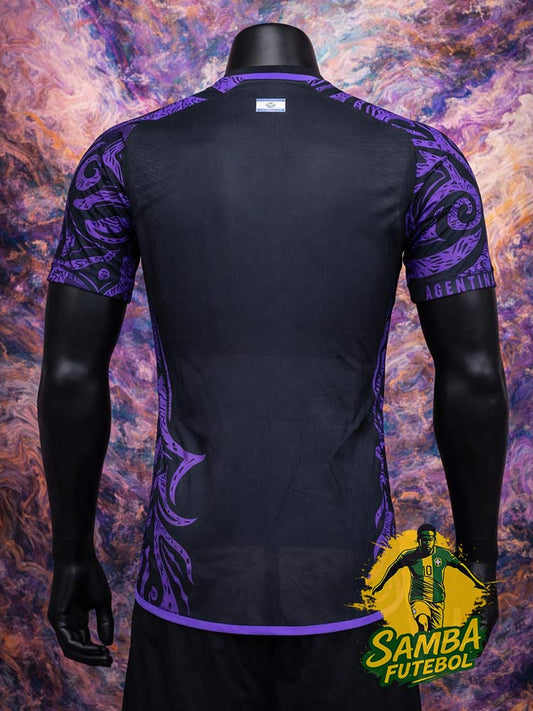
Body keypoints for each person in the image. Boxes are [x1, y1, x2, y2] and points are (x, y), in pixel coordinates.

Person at [38, 21, 509, 711]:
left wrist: (72, 553)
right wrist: (477, 560)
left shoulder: (126, 154)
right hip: (353, 575)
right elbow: (474, 376)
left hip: (191, 577)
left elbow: (70, 376)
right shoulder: (420, 157)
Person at [371, 523, 489, 631]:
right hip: (418, 599)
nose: (427, 542)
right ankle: (419, 641)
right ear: (418, 540)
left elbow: (460, 566)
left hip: (438, 600)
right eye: (424, 539)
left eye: (430, 539)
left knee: (434, 633)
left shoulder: (443, 554)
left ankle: (424, 643)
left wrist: (476, 581)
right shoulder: (409, 555)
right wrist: (381, 584)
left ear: (434, 540)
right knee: (422, 622)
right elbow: (393, 568)